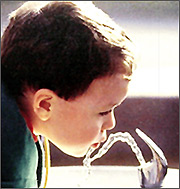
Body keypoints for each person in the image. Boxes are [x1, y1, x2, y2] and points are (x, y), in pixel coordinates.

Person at [1, 1, 136, 188]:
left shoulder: (18, 116)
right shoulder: (8, 163)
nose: (111, 123)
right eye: (103, 112)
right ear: (45, 105)